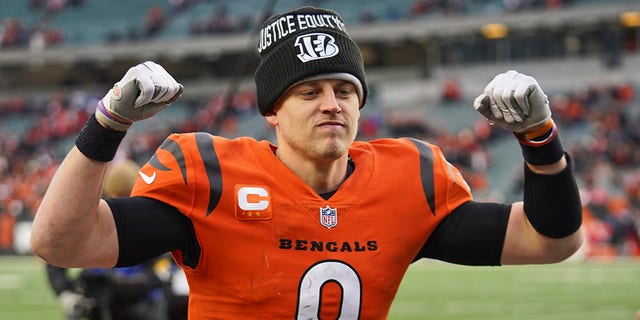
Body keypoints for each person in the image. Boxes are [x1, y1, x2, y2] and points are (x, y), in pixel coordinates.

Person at [31, 6, 583, 319]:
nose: (331, 103)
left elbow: (550, 240)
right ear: (272, 110)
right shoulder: (211, 177)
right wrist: (107, 125)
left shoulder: (408, 179)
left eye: (345, 89)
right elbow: (61, 242)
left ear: (361, 102)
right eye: (308, 91)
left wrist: (540, 137)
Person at [44, 159, 175, 320]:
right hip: (107, 303)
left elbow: (163, 271)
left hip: (141, 304)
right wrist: (66, 292)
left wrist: (130, 283)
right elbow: (56, 255)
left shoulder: (151, 219)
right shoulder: (97, 218)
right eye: (121, 196)